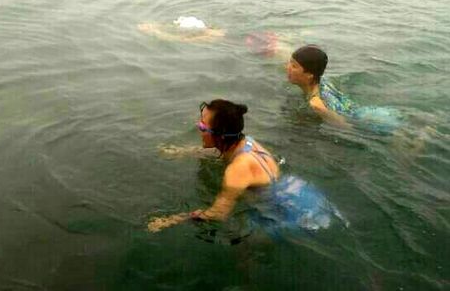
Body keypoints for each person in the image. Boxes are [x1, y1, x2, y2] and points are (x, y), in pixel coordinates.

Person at [148, 99, 340, 233]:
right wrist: (184, 152)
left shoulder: (237, 170)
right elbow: (220, 153)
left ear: (220, 135)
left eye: (202, 127)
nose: (198, 128)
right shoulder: (247, 143)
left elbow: (218, 213)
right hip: (300, 192)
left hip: (286, 212)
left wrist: (172, 220)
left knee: (244, 252)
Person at [287, 45, 401, 132]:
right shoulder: (323, 81)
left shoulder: (316, 103)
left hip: (370, 121)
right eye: (290, 63)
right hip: (373, 113)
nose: (287, 68)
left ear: (309, 74)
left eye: (294, 66)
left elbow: (344, 126)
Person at [138, 16, 226, 43]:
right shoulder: (216, 30)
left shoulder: (207, 37)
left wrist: (154, 31)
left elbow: (180, 39)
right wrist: (155, 26)